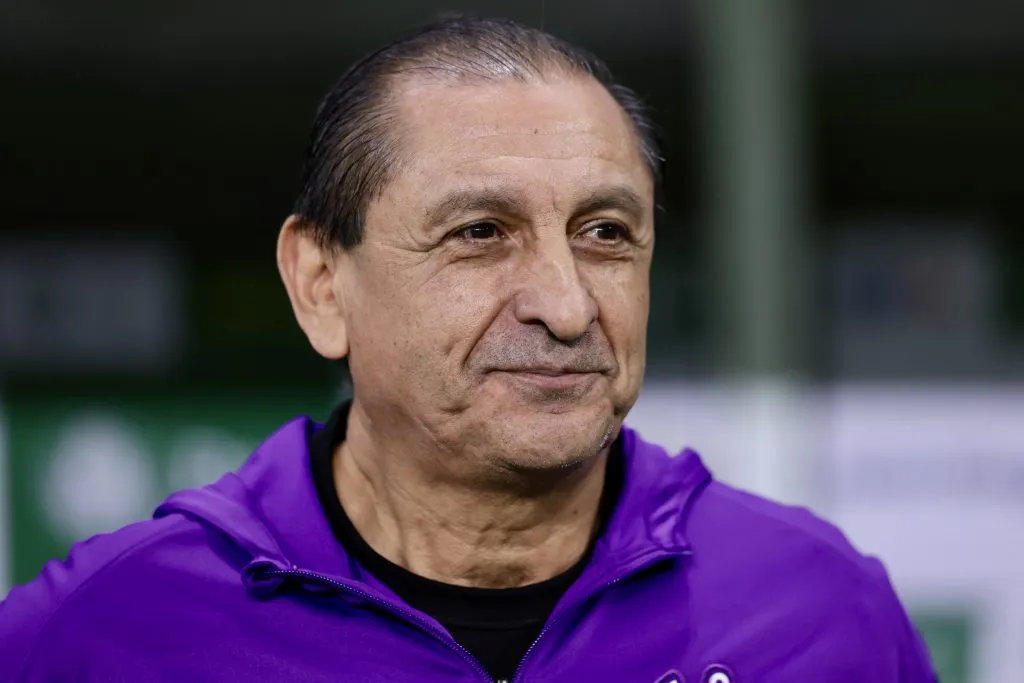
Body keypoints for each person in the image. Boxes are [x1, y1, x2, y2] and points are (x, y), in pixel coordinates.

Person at [0, 16, 936, 683]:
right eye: (480, 232)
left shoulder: (818, 608)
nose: (566, 306)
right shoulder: (107, 630)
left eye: (606, 232)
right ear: (321, 285)